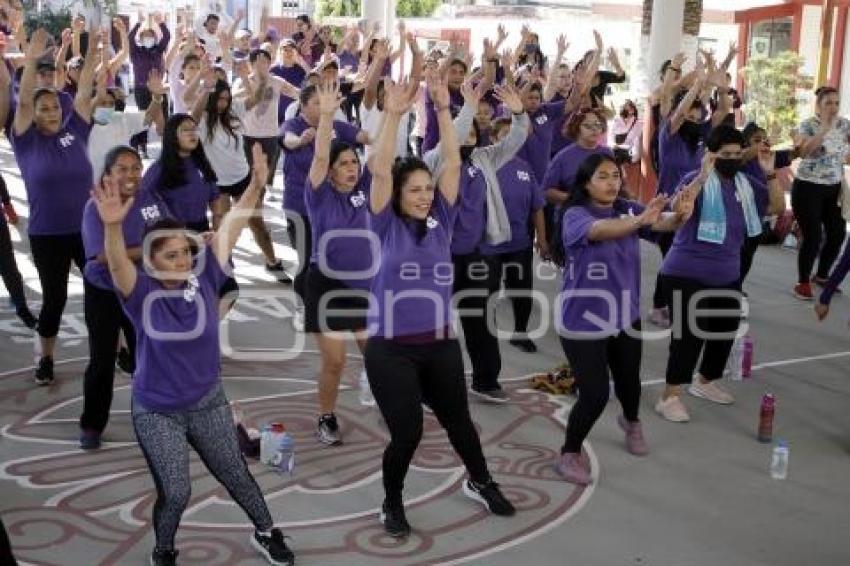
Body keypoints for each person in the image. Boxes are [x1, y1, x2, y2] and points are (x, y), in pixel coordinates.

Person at [92, 143, 295, 566]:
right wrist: (113, 228)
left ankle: (266, 530)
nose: (183, 259)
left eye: (185, 251)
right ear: (151, 261)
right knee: (177, 491)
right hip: (157, 410)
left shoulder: (204, 276)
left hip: (208, 401)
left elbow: (235, 225)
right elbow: (115, 267)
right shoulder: (140, 291)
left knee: (236, 473)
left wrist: (257, 184)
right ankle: (164, 550)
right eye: (171, 255)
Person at [365, 76, 515, 538]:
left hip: (439, 344)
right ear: (399, 195)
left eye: (427, 189)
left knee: (460, 423)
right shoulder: (384, 221)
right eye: (415, 190)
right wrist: (393, 114)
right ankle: (391, 501)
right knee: (407, 433)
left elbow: (452, 160)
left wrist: (446, 112)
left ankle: (481, 480)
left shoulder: (442, 218)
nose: (425, 195)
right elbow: (382, 171)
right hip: (390, 349)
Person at [552, 153, 693, 485]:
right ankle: (569, 453)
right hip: (582, 321)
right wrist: (642, 219)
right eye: (602, 176)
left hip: (625, 316)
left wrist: (680, 216)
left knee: (630, 381)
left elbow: (662, 222)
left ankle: (632, 423)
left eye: (615, 175)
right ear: (586, 183)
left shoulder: (627, 210)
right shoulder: (574, 214)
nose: (612, 182)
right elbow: (602, 230)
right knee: (595, 394)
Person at [655, 126, 786, 423]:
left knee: (724, 331)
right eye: (725, 155)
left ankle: (705, 381)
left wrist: (768, 172)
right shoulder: (695, 179)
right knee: (687, 337)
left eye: (738, 154)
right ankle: (669, 396)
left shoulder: (746, 183)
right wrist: (702, 176)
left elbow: (777, 207)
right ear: (710, 155)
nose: (732, 159)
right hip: (685, 273)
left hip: (727, 274)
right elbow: (678, 209)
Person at [10, 29, 98, 385]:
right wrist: (31, 61)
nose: (50, 110)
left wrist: (92, 49)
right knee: (55, 302)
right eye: (43, 107)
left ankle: (118, 349)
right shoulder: (26, 141)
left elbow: (88, 82)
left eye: (54, 106)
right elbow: (27, 103)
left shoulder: (75, 129)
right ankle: (45, 357)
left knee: (102, 294)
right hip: (47, 235)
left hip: (87, 230)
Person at [79, 146, 168, 449]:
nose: (131, 175)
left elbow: (169, 234)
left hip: (142, 289)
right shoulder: (97, 206)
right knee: (102, 361)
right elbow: (103, 256)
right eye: (123, 168)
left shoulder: (151, 200)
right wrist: (147, 248)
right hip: (104, 290)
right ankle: (92, 425)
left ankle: (154, 419)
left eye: (136, 168)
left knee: (149, 357)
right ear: (108, 174)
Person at [303, 81, 376, 445]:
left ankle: (381, 391)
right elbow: (318, 157)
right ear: (330, 171)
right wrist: (328, 116)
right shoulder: (319, 195)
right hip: (327, 286)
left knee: (379, 357)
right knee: (334, 361)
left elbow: (382, 156)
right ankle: (326, 416)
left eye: (354, 162)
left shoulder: (365, 191)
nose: (351, 167)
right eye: (343, 163)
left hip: (364, 287)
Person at [281, 84, 370, 331]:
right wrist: (301, 140)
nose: (322, 107)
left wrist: (386, 121)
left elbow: (363, 136)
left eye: (325, 103)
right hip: (300, 205)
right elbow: (289, 142)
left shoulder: (336, 128)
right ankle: (302, 306)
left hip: (332, 209)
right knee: (307, 257)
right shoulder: (293, 125)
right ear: (303, 105)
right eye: (317, 103)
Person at [191, 71, 289, 281]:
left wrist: (255, 80)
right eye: (219, 99)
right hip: (218, 185)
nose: (223, 103)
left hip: (243, 179)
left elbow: (256, 98)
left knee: (258, 225)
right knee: (222, 232)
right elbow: (194, 116)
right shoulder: (202, 119)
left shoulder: (235, 110)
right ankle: (221, 273)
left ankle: (272, 261)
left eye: (226, 99)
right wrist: (206, 89)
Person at [649, 67, 728, 328]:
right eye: (689, 117)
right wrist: (697, 85)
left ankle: (680, 303)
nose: (693, 120)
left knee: (685, 257)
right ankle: (659, 306)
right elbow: (680, 112)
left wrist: (722, 88)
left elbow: (722, 113)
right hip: (668, 207)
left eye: (697, 117)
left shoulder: (700, 141)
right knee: (670, 258)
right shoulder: (668, 136)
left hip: (693, 207)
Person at [478, 116, 547, 353]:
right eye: (504, 134)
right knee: (488, 292)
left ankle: (520, 333)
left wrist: (542, 239)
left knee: (521, 290)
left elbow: (537, 206)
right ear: (493, 138)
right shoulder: (483, 165)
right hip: (488, 246)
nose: (510, 139)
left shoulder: (524, 168)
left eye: (513, 133)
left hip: (520, 243)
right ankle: (484, 336)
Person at [791, 86, 849, 300]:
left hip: (833, 188)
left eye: (836, 103)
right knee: (813, 236)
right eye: (828, 103)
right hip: (808, 187)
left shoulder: (844, 125)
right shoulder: (806, 125)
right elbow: (805, 152)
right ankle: (802, 282)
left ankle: (822, 275)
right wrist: (824, 129)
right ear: (818, 105)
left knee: (838, 233)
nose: (833, 108)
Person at [139, 113, 223, 233]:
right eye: (185, 130)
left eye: (194, 129)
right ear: (172, 135)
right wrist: (160, 229)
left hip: (202, 230)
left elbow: (215, 197)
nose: (192, 133)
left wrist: (218, 231)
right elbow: (142, 199)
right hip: (172, 234)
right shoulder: (159, 168)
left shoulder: (202, 164)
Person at [128, 10, 170, 112]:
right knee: (145, 117)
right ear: (141, 39)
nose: (148, 38)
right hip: (141, 89)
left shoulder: (158, 50)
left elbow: (167, 36)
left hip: (158, 88)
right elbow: (130, 37)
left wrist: (161, 23)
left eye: (150, 36)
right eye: (145, 36)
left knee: (162, 116)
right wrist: (139, 23)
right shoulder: (136, 52)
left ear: (155, 38)